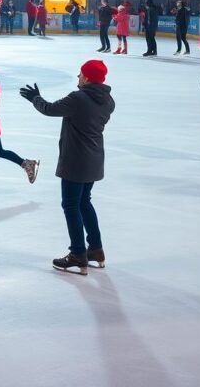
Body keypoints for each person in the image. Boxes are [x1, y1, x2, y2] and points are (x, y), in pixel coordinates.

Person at [19, 60, 115, 274]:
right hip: (94, 159)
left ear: (88, 78)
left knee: (71, 205)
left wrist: (35, 98)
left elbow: (50, 109)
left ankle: (78, 254)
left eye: (80, 74)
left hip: (76, 161)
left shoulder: (78, 98)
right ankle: (96, 249)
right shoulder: (108, 101)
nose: (78, 77)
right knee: (84, 202)